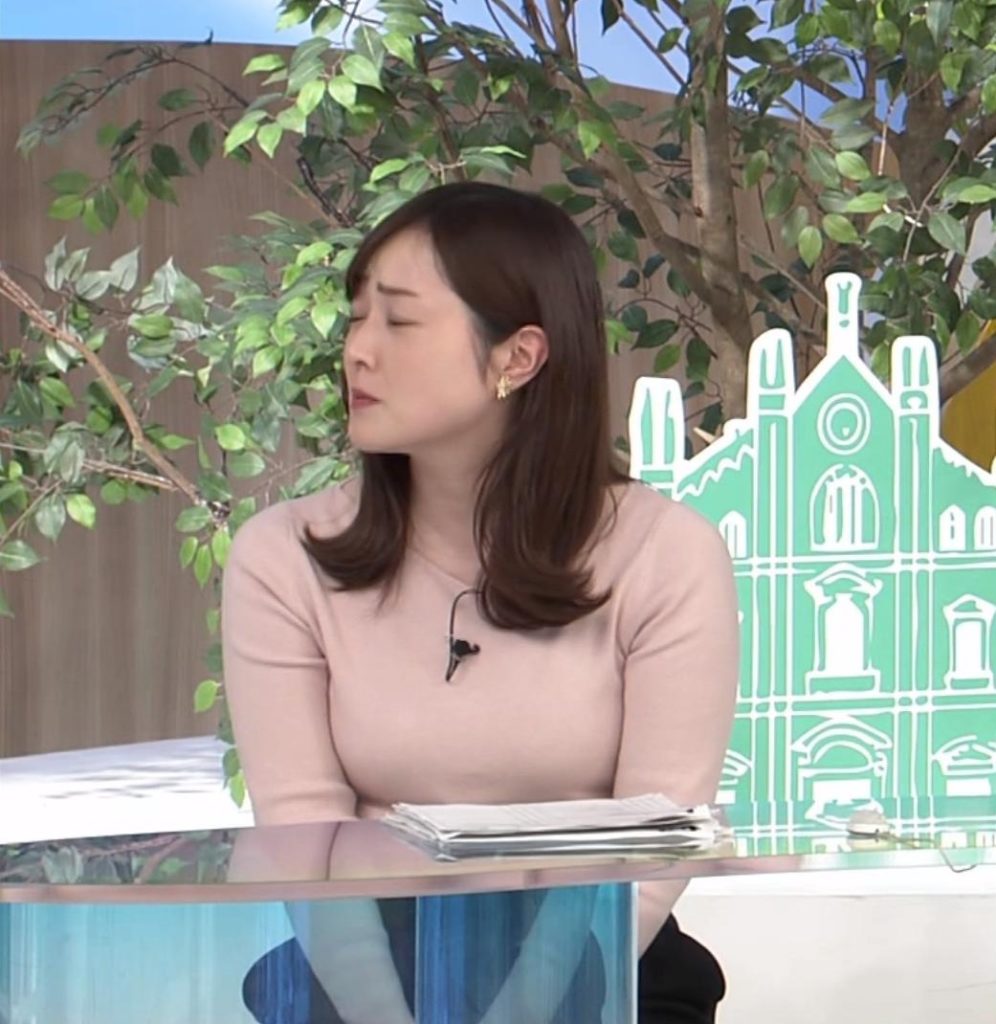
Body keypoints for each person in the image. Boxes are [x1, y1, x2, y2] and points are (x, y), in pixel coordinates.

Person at [221, 181, 740, 1023]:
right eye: (356, 318)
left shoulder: (666, 553)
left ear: (518, 358)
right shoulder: (283, 557)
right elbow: (302, 833)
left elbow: (652, 844)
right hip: (363, 967)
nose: (357, 352)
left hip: (596, 952)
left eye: (398, 320)